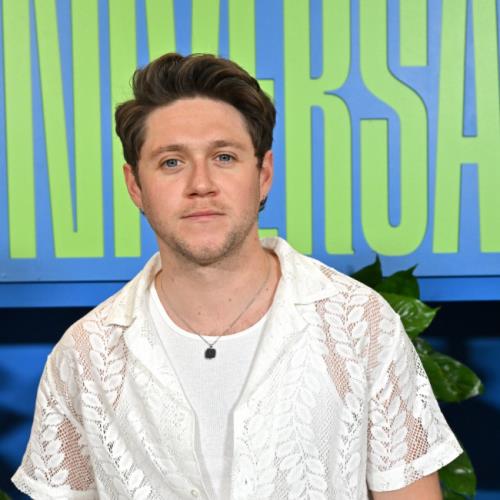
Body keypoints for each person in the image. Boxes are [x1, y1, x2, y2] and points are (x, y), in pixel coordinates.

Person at [13, 53, 461, 500]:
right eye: (171, 162)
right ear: (136, 186)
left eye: (224, 157)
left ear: (263, 175)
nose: (201, 184)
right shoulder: (85, 355)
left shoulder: (361, 325)